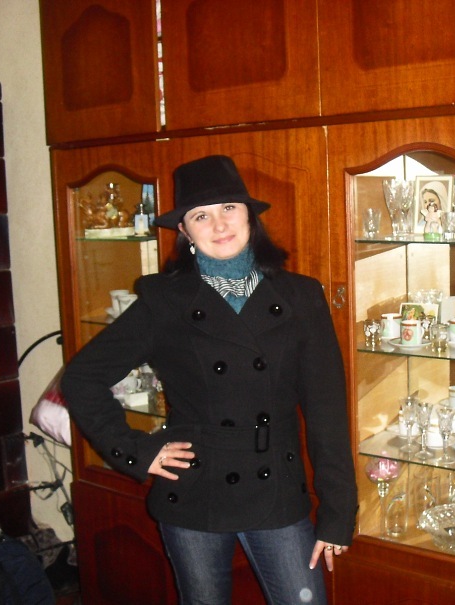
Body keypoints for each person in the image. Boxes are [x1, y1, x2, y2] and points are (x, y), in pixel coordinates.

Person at [61, 155, 358, 604]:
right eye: (201, 215)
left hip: (277, 491)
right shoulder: (163, 301)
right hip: (194, 493)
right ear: (184, 231)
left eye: (229, 208)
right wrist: (138, 452)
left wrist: (337, 514)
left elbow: (327, 413)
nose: (219, 224)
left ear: (250, 215)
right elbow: (82, 378)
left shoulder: (301, 296)